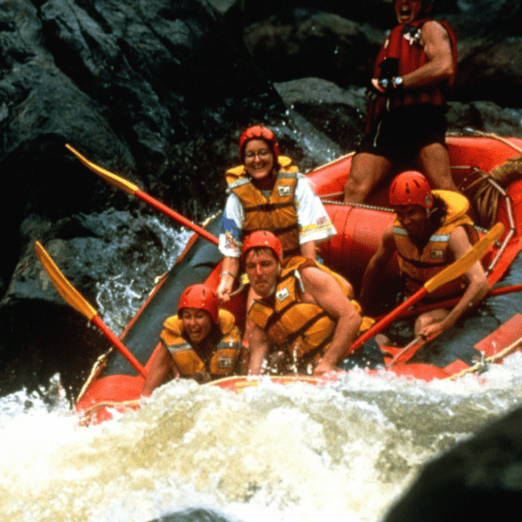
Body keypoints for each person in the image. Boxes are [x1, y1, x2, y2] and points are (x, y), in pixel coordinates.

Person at [343, 0, 459, 205]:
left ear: (425, 5)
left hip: (422, 117)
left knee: (443, 184)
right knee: (354, 187)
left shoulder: (430, 28)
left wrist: (395, 83)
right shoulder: (395, 34)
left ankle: (471, 233)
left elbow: (444, 66)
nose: (404, 3)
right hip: (388, 123)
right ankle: (344, 236)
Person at [359, 171, 489, 343]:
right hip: (411, 304)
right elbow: (376, 265)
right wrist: (360, 307)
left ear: (427, 206)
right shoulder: (393, 234)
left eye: (411, 212)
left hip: (449, 305)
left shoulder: (453, 235)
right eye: (400, 213)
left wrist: (445, 324)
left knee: (424, 323)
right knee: (378, 341)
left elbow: (480, 284)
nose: (405, 221)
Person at [216, 125, 337, 303]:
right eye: (250, 155)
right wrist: (226, 280)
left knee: (314, 302)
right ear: (243, 160)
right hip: (260, 273)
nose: (257, 160)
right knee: (253, 321)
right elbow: (231, 250)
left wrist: (309, 275)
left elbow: (307, 238)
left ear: (274, 154)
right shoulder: (236, 199)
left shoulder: (298, 186)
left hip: (296, 260)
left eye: (263, 153)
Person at [242, 231, 383, 377]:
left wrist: (328, 362)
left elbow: (352, 318)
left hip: (357, 352)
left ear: (279, 263)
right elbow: (255, 374)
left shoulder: (305, 277)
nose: (258, 273)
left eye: (265, 264)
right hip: (320, 370)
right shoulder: (259, 318)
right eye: (251, 266)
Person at [141, 284, 244, 396]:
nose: (192, 323)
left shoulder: (230, 338)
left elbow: (248, 386)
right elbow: (147, 395)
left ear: (212, 317)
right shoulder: (171, 345)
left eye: (199, 316)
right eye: (187, 316)